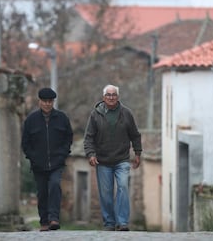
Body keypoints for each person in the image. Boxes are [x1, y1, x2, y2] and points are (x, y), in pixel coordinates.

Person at [83, 84, 142, 231]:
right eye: (108, 95)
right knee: (106, 193)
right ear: (103, 97)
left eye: (114, 94)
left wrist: (137, 152)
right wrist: (91, 154)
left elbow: (135, 134)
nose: (111, 97)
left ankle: (122, 222)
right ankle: (109, 222)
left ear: (118, 97)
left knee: (122, 186)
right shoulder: (95, 114)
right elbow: (88, 137)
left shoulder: (126, 113)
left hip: (122, 159)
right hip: (103, 161)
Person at [21, 87, 73, 231]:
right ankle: (44, 221)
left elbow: (68, 137)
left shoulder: (62, 118)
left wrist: (63, 154)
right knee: (42, 191)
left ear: (53, 102)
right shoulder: (31, 120)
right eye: (45, 101)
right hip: (39, 164)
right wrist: (33, 157)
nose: (47, 104)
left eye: (50, 101)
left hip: (57, 162)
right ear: (40, 102)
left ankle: (54, 218)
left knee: (55, 185)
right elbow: (25, 142)